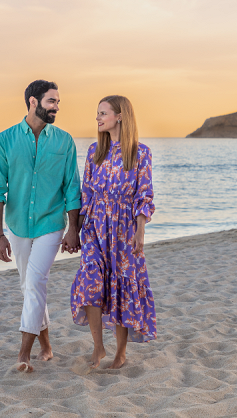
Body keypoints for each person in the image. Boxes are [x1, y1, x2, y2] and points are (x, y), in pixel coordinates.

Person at [0, 79, 82, 373]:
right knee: (28, 286)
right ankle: (46, 346)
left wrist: (73, 229)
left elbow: (72, 189)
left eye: (57, 102)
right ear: (33, 101)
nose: (56, 107)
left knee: (36, 282)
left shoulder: (64, 141)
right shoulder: (5, 140)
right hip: (16, 227)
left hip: (51, 224)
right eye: (51, 101)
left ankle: (23, 354)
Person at [70, 95, 156, 369]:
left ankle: (121, 352)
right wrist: (75, 230)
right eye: (97, 113)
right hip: (96, 227)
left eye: (102, 113)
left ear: (120, 116)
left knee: (122, 286)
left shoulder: (140, 153)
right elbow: (85, 193)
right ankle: (98, 348)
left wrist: (140, 230)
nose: (97, 118)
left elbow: (145, 195)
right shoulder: (94, 152)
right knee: (90, 279)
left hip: (124, 231)